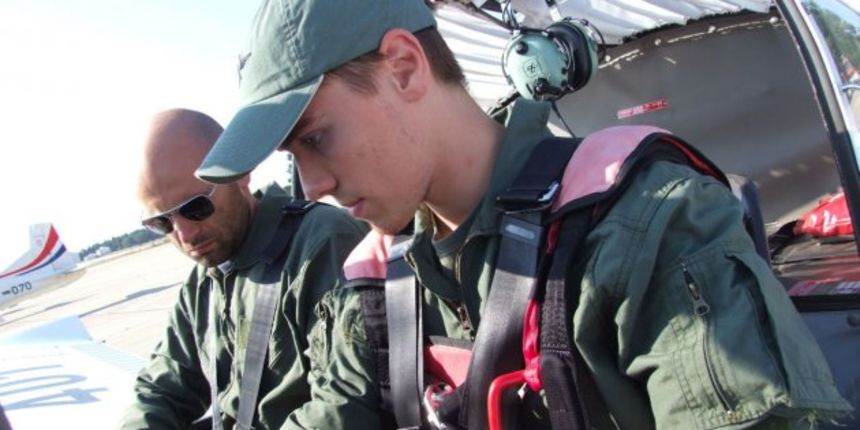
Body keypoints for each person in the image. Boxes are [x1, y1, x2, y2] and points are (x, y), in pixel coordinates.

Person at [196, 1, 852, 429]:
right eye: (293, 157)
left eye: (315, 138)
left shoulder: (644, 227)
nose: (312, 187)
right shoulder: (376, 283)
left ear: (402, 68)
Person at [120, 108, 368, 429]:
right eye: (162, 222)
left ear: (239, 174)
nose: (185, 235)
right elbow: (161, 387)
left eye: (196, 207)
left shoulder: (321, 243)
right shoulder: (206, 281)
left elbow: (345, 404)